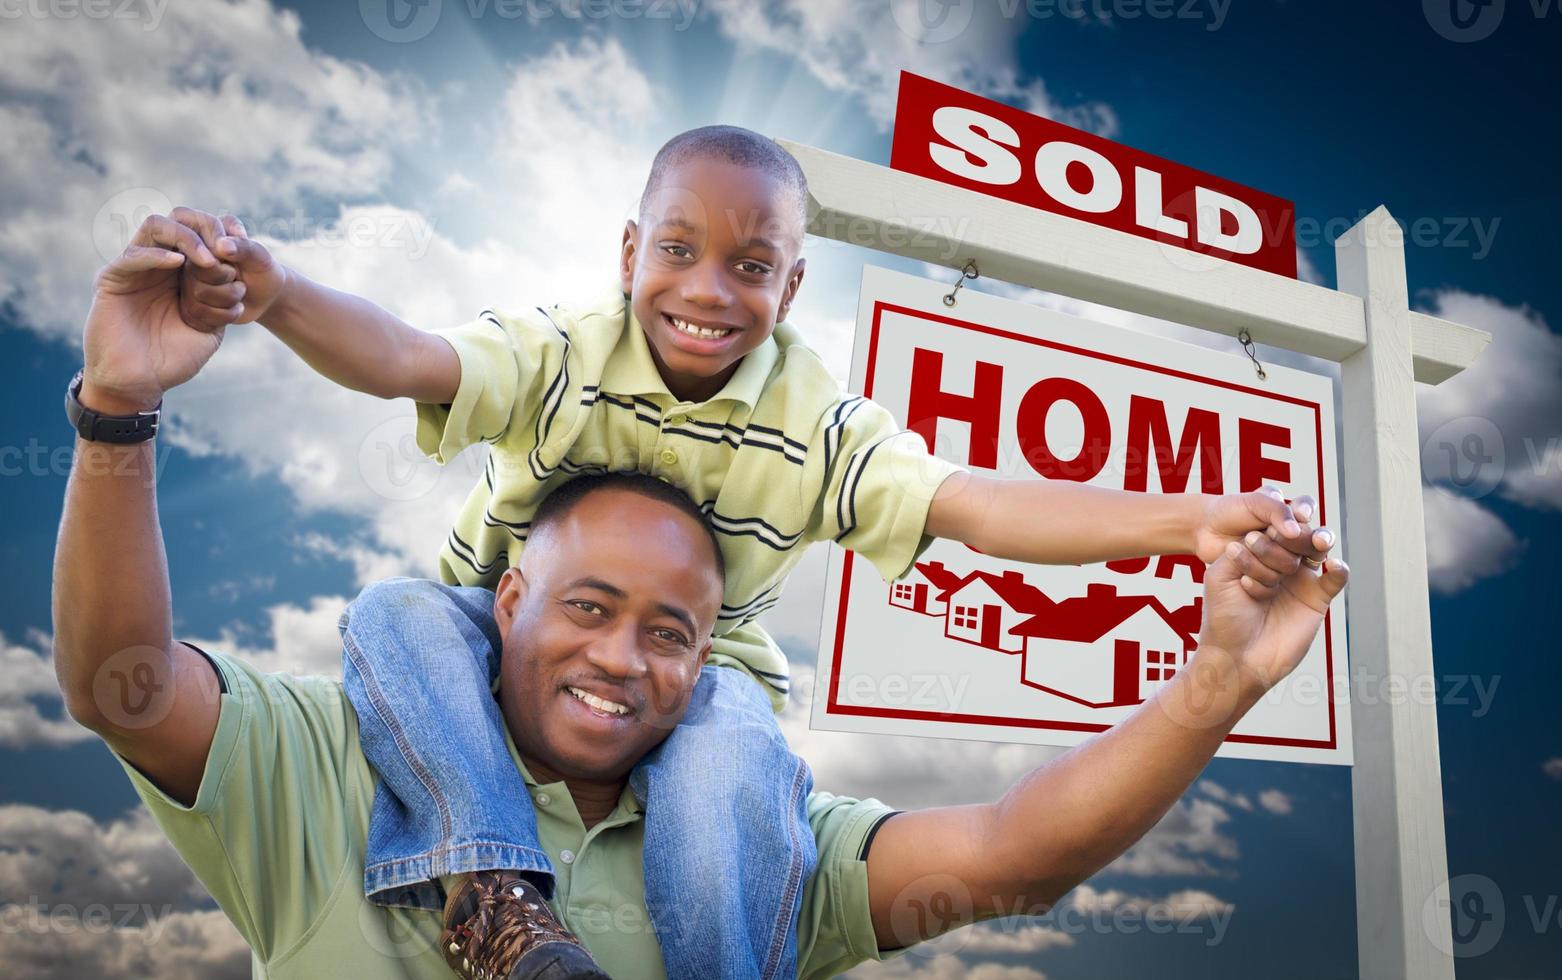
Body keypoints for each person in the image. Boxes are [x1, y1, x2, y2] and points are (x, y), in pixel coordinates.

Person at [160, 125, 1334, 980]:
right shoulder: (566, 348)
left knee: (730, 765)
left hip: (704, 665)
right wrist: (277, 294)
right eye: (677, 249)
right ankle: (497, 895)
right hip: (492, 628)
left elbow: (976, 508)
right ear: (628, 250)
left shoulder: (820, 422)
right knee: (395, 613)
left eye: (751, 266)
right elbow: (411, 357)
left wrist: (1178, 519)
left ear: (793, 281)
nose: (707, 292)